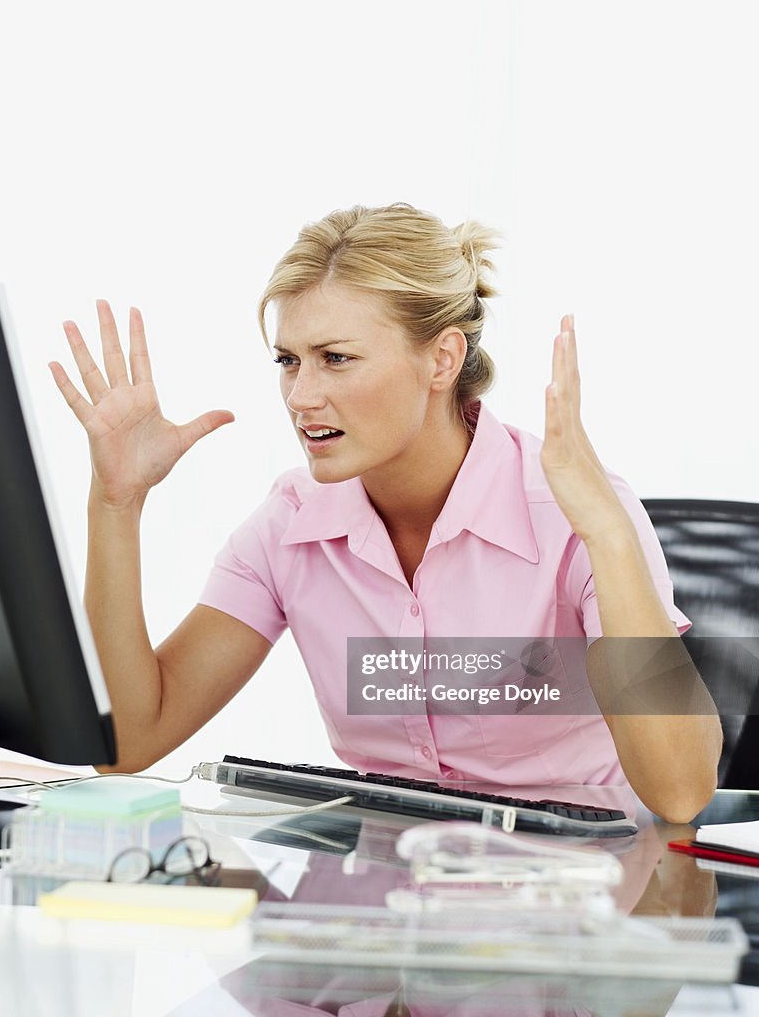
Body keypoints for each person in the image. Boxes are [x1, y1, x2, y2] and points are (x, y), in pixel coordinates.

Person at [48, 202, 721, 823]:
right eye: (289, 361)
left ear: (443, 358)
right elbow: (128, 741)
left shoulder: (576, 511)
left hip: (571, 904)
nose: (301, 396)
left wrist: (606, 533)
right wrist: (117, 504)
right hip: (385, 895)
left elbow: (681, 792)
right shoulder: (290, 524)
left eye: (336, 359)